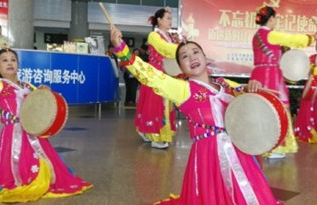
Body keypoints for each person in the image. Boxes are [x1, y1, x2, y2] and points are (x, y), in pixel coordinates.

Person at [110, 26, 284, 205]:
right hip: (209, 157)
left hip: (239, 151)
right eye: (185, 56)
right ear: (180, 67)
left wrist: (253, 86)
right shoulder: (183, 89)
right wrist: (121, 50)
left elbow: (247, 98)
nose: (192, 57)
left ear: (205, 57)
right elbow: (150, 76)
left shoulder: (224, 84)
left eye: (195, 52)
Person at [0, 49, 92, 203]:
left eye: (13, 59)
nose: (10, 62)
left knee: (45, 163)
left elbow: (40, 102)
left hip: (34, 131)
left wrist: (44, 91)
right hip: (14, 135)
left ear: (18, 64)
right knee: (18, 168)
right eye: (4, 60)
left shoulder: (27, 85)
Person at [250, 5, 317, 159]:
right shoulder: (270, 35)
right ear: (271, 18)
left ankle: (261, 144)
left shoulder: (256, 36)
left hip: (258, 74)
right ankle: (275, 147)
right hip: (270, 76)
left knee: (261, 109)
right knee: (276, 109)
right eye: (276, 18)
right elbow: (293, 40)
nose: (276, 21)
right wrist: (312, 37)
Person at [135, 7, 181, 149]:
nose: (170, 21)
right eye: (167, 18)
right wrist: (181, 48)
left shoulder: (170, 37)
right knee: (155, 104)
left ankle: (147, 131)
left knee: (163, 104)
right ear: (159, 20)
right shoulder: (154, 36)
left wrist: (179, 43)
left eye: (170, 19)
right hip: (155, 74)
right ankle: (156, 136)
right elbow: (165, 49)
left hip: (166, 74)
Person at [294, 42, 317, 143]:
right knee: (307, 105)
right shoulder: (312, 58)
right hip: (311, 84)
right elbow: (308, 73)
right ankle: (307, 130)